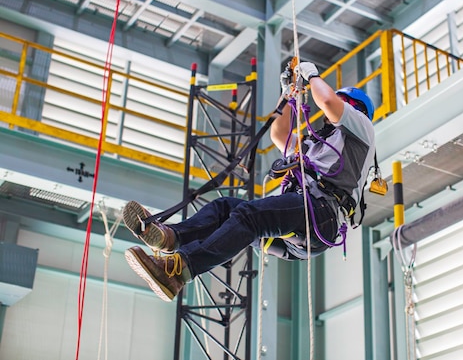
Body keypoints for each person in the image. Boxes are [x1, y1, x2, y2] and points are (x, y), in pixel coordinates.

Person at [123, 61, 376, 301]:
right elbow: (279, 133)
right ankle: (171, 237)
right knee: (226, 209)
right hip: (301, 232)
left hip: (320, 214)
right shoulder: (316, 146)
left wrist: (311, 75)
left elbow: (329, 100)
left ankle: (178, 271)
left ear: (355, 107)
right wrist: (288, 95)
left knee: (248, 216)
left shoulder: (362, 127)